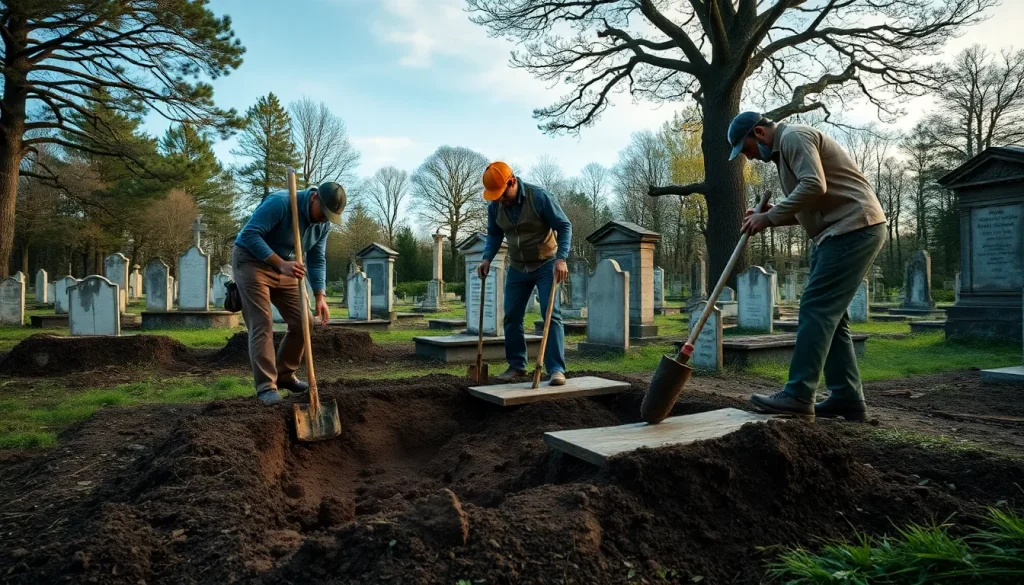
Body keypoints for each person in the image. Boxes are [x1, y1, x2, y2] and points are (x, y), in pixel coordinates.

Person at [729, 111, 887, 421]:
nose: (749, 157)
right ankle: (845, 396)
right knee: (831, 315)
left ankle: (799, 394)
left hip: (853, 227)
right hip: (836, 232)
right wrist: (773, 216)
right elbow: (810, 201)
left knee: (815, 307)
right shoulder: (785, 151)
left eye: (746, 149)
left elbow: (815, 185)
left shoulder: (793, 137)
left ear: (759, 133)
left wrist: (768, 217)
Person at [232, 182, 346, 405]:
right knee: (262, 323)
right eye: (324, 213)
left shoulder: (323, 225)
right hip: (252, 261)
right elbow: (249, 235)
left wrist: (320, 296)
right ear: (314, 198)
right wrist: (280, 263)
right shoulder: (281, 203)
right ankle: (266, 387)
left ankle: (284, 375)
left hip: (286, 265)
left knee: (304, 321)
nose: (324, 219)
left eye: (330, 216)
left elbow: (316, 259)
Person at [477, 161, 572, 386]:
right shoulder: (495, 205)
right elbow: (494, 234)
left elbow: (564, 225)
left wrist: (561, 259)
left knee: (552, 314)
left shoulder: (538, 197)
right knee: (511, 314)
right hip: (518, 266)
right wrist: (486, 258)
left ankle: (556, 369)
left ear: (512, 181)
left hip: (546, 263)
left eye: (502, 193)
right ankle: (517, 365)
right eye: (495, 195)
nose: (500, 199)